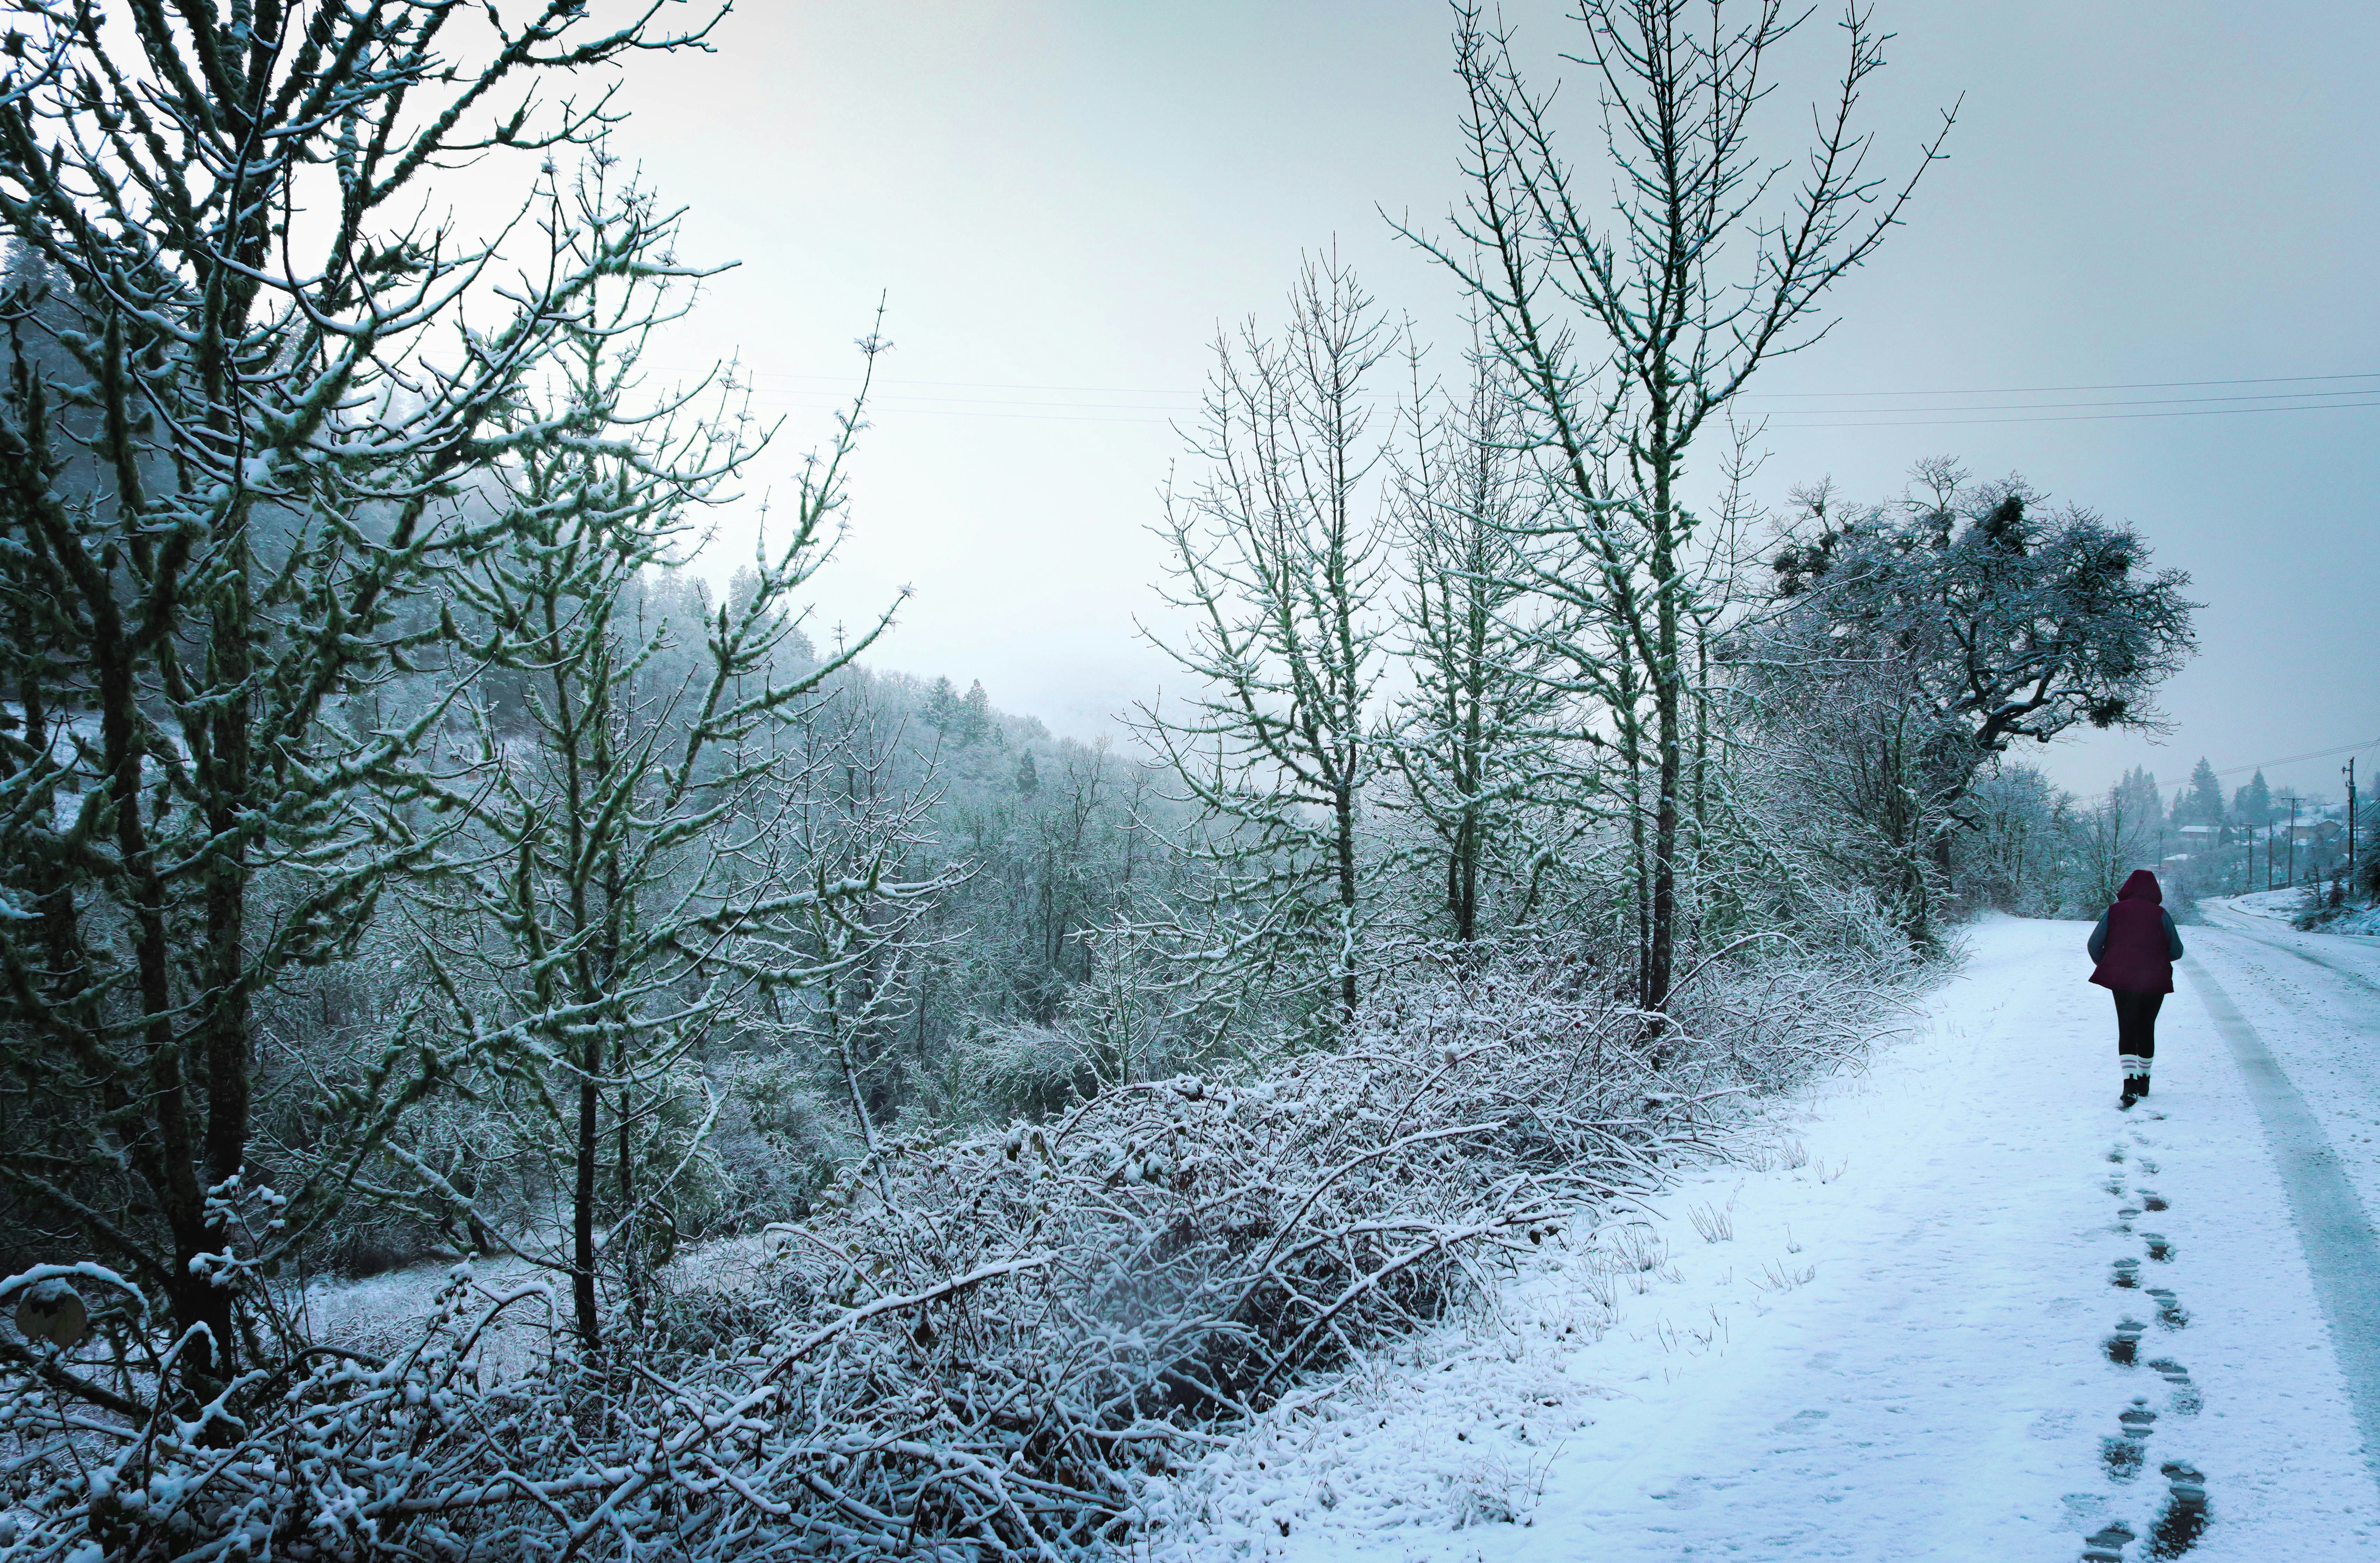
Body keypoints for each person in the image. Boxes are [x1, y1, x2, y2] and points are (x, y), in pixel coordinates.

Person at [2087, 869, 2185, 1108]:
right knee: (2146, 1027)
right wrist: (2155, 961)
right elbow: (2177, 951)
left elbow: (2093, 945)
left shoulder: (2113, 911)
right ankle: (2144, 1079)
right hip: (2154, 980)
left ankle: (2128, 1086)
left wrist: (2111, 964)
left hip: (2122, 979)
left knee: (2127, 1027)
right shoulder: (2161, 914)